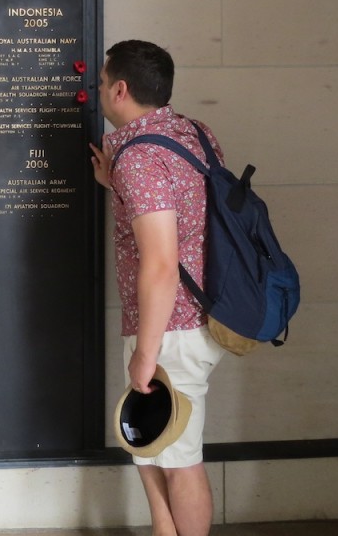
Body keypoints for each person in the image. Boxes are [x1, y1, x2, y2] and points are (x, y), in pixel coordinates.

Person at [89, 40, 226, 536]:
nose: (98, 91)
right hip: (191, 318)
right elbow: (187, 211)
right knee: (153, 445)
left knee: (180, 458)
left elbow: (163, 264)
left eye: (102, 83)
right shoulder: (191, 132)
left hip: (172, 329)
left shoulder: (140, 160)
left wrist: (146, 353)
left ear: (121, 89)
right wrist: (117, 187)